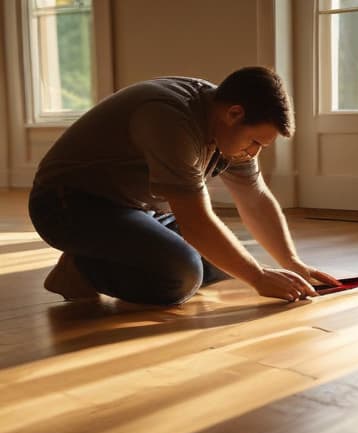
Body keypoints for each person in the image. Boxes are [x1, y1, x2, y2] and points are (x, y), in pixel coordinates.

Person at [28, 66, 339, 305]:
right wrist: (258, 277)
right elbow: (197, 223)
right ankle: (81, 270)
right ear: (234, 114)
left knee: (226, 263)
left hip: (138, 208)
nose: (254, 153)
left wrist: (292, 263)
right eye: (255, 142)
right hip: (68, 205)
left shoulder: (227, 127)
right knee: (182, 276)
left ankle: (109, 250)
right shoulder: (170, 120)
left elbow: (255, 199)